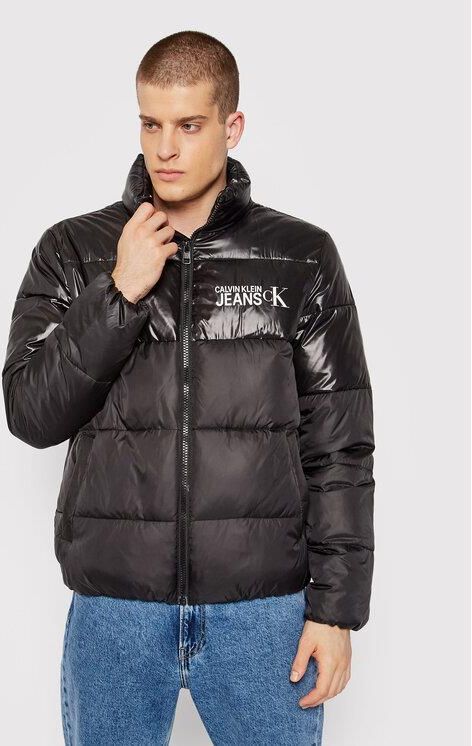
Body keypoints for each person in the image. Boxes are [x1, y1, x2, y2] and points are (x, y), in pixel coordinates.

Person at [1, 30, 375, 746]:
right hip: (115, 612)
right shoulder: (74, 251)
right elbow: (29, 412)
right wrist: (119, 294)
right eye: (150, 124)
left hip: (262, 614)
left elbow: (341, 447)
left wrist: (336, 610)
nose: (165, 149)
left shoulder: (300, 257)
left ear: (232, 127)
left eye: (189, 125)